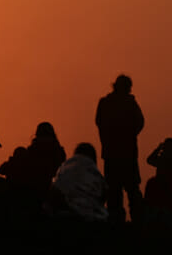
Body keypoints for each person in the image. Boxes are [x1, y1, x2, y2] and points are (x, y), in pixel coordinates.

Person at [95, 74, 144, 222]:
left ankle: (122, 220)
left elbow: (139, 122)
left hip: (116, 153)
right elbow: (139, 122)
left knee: (122, 189)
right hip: (121, 153)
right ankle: (131, 219)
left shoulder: (110, 103)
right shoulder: (121, 103)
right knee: (124, 189)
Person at [48, 143, 108, 222]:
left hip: (64, 214)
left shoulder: (65, 168)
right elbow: (104, 192)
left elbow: (56, 188)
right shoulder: (93, 171)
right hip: (89, 216)